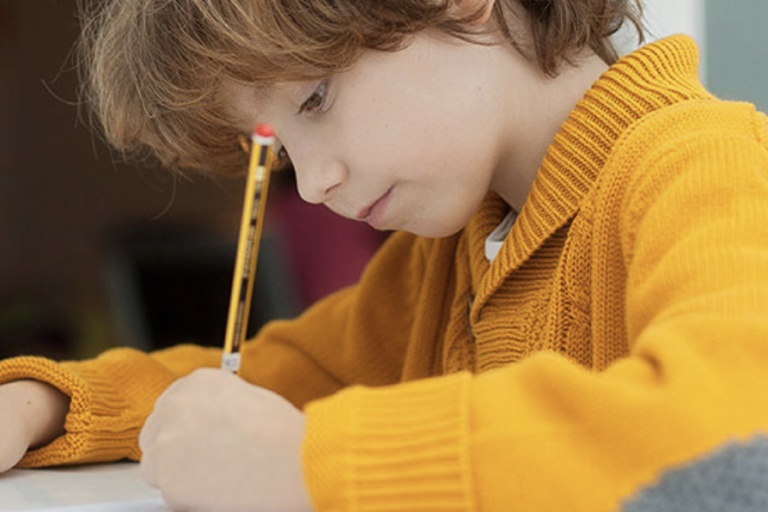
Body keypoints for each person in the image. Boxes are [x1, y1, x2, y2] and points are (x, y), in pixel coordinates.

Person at [2, 0, 768, 510]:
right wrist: (52, 404)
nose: (317, 180)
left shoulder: (705, 165)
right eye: (280, 151)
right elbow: (294, 376)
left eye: (315, 100)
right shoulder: (448, 253)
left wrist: (317, 467)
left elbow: (731, 430)